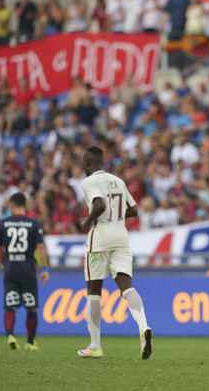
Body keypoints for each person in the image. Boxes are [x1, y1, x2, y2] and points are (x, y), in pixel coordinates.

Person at [77, 145, 152, 360]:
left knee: (93, 291)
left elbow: (99, 204)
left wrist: (87, 221)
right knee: (126, 286)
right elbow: (134, 209)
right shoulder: (118, 181)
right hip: (121, 236)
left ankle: (95, 346)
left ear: (87, 163)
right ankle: (143, 326)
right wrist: (117, 215)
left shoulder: (89, 182)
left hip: (99, 237)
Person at [0, 192, 49, 350]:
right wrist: (44, 268)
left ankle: (10, 334)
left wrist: (4, 263)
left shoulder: (3, 224)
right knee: (31, 307)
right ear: (25, 206)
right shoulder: (33, 224)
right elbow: (40, 248)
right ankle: (30, 342)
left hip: (11, 269)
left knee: (10, 305)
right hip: (28, 270)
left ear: (11, 206)